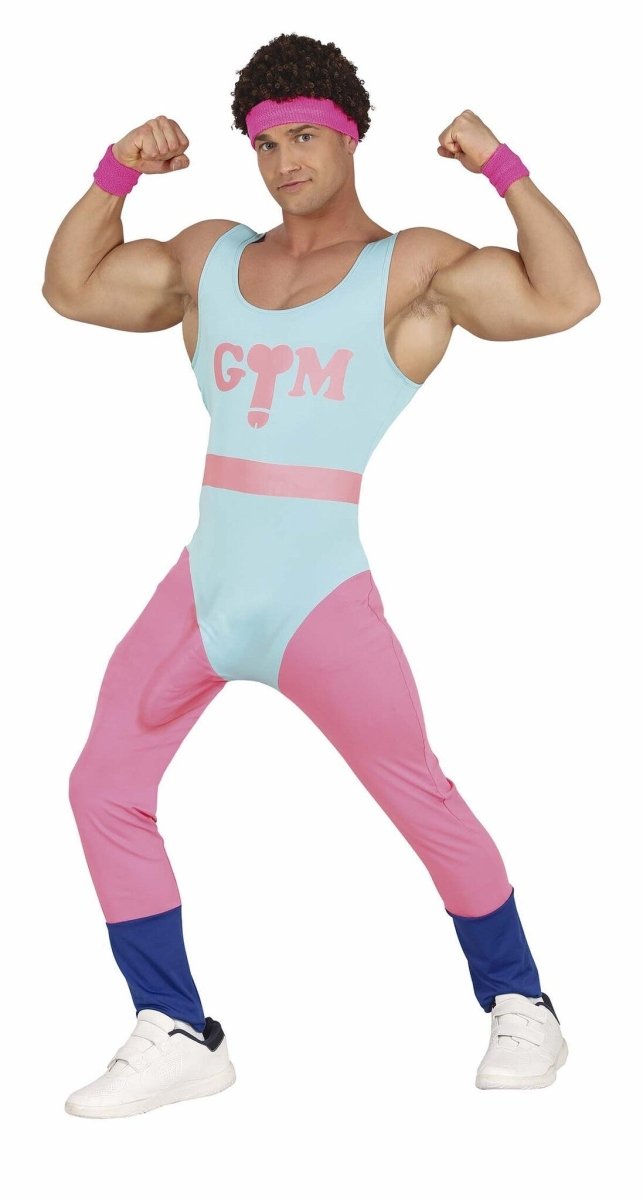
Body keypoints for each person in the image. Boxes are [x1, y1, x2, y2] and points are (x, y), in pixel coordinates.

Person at [43, 32, 600, 1118]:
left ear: (348, 139)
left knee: (418, 795)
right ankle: (174, 1028)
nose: (283, 160)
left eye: (304, 136)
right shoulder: (210, 255)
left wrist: (500, 165)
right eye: (265, 143)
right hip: (203, 587)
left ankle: (521, 1001)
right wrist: (114, 172)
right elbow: (70, 288)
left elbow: (565, 297)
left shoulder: (414, 269)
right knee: (100, 784)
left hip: (317, 600)